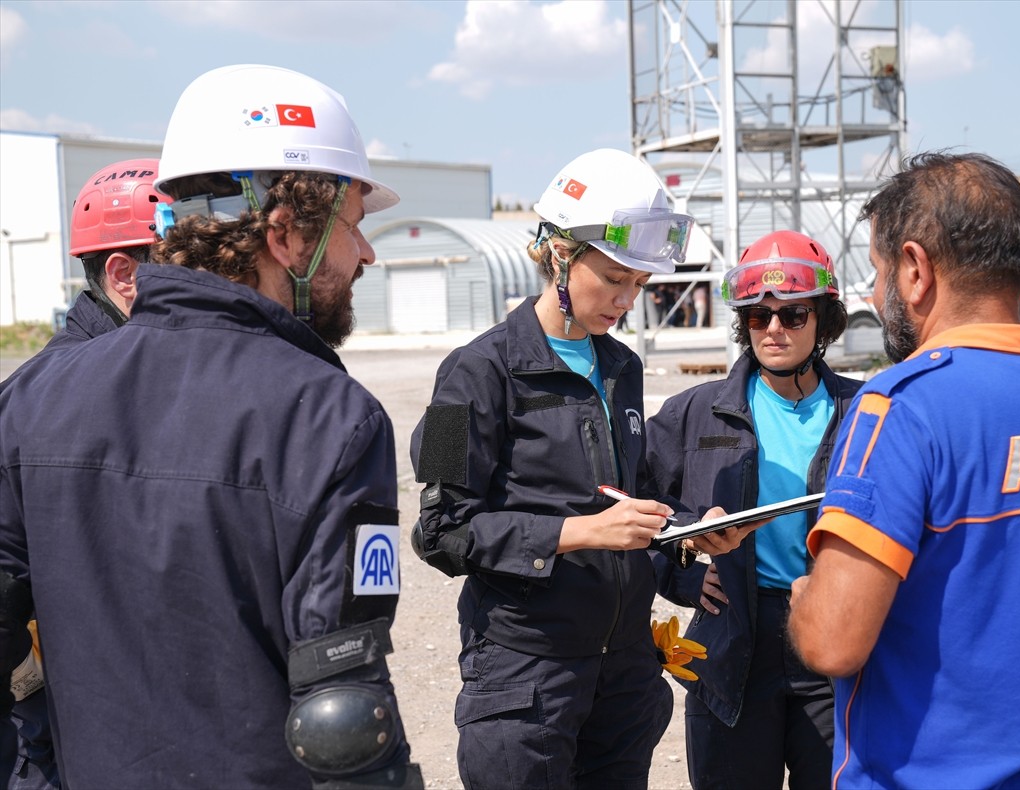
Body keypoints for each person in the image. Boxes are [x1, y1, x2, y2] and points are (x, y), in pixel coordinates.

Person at [0, 64, 421, 787]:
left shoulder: (33, 395)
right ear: (287, 234)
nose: (368, 255)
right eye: (354, 226)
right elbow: (342, 712)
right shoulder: (327, 418)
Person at [786, 151, 1020, 788]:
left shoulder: (901, 407)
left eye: (877, 273)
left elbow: (832, 642)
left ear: (915, 269)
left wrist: (805, 602)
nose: (876, 296)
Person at [409, 147, 747, 790]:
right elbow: (439, 530)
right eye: (614, 278)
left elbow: (630, 497)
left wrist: (686, 530)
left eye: (640, 286)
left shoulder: (622, 369)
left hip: (621, 676)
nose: (626, 299)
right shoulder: (471, 374)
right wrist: (583, 533)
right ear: (559, 253)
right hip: (525, 675)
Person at [648, 230, 862, 789]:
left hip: (836, 642)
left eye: (793, 315)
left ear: (823, 321)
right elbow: (631, 503)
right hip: (733, 641)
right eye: (757, 316)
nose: (774, 330)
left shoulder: (867, 413)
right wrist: (684, 571)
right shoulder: (695, 413)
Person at [3, 158, 170, 790]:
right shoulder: (42, 399)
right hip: (64, 739)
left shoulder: (160, 379)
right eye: (187, 268)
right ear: (124, 276)